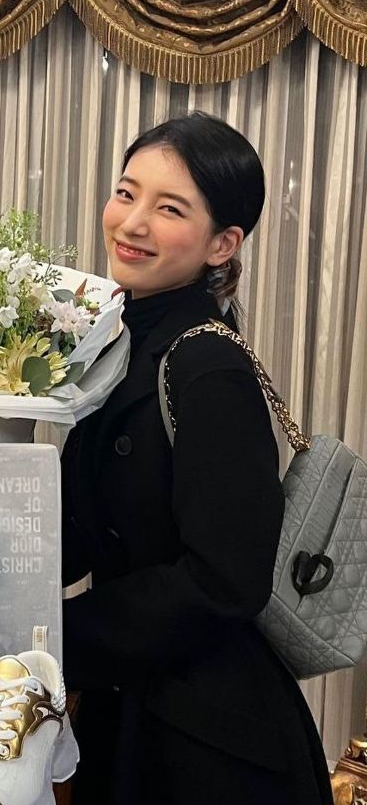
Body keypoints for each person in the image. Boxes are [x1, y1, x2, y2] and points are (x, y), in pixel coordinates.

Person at [60, 112, 333, 804]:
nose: (132, 223)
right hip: (135, 703)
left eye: (169, 208)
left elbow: (225, 580)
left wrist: (60, 637)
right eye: (127, 193)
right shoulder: (119, 347)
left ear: (222, 244)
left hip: (207, 744)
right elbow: (85, 527)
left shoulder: (205, 365)